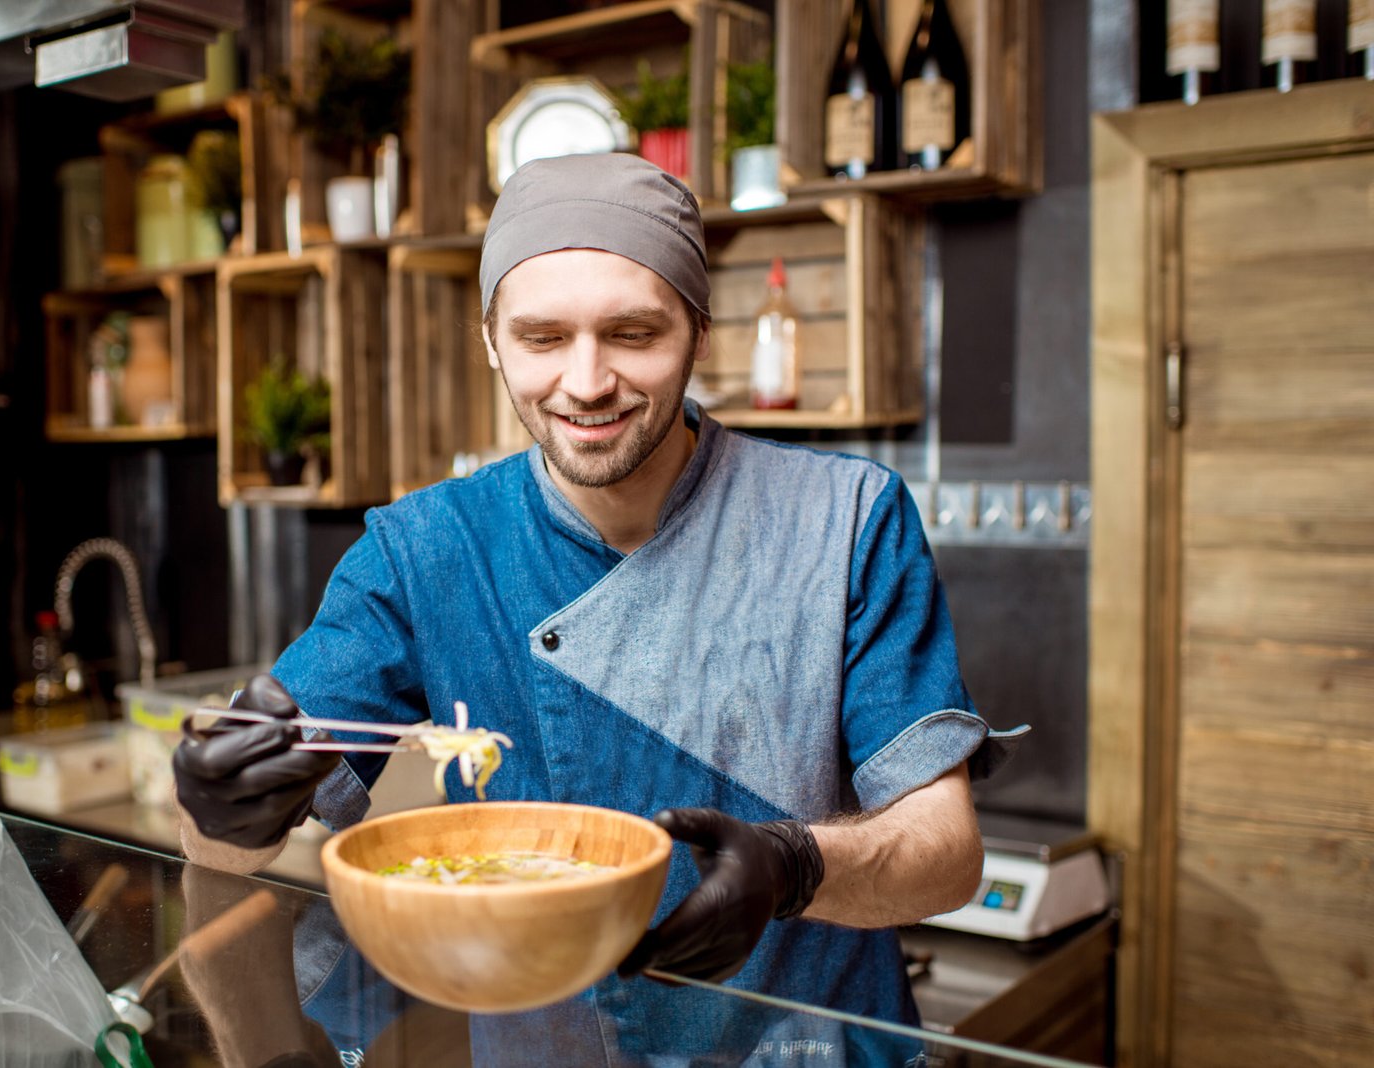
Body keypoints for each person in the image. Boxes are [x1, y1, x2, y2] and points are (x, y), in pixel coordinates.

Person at [174, 154, 1025, 1064]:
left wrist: (795, 866)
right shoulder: (424, 552)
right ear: (493, 339)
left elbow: (946, 851)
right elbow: (220, 851)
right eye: (542, 339)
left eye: (632, 332)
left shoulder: (845, 520)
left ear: (699, 331)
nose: (586, 383)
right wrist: (221, 802)